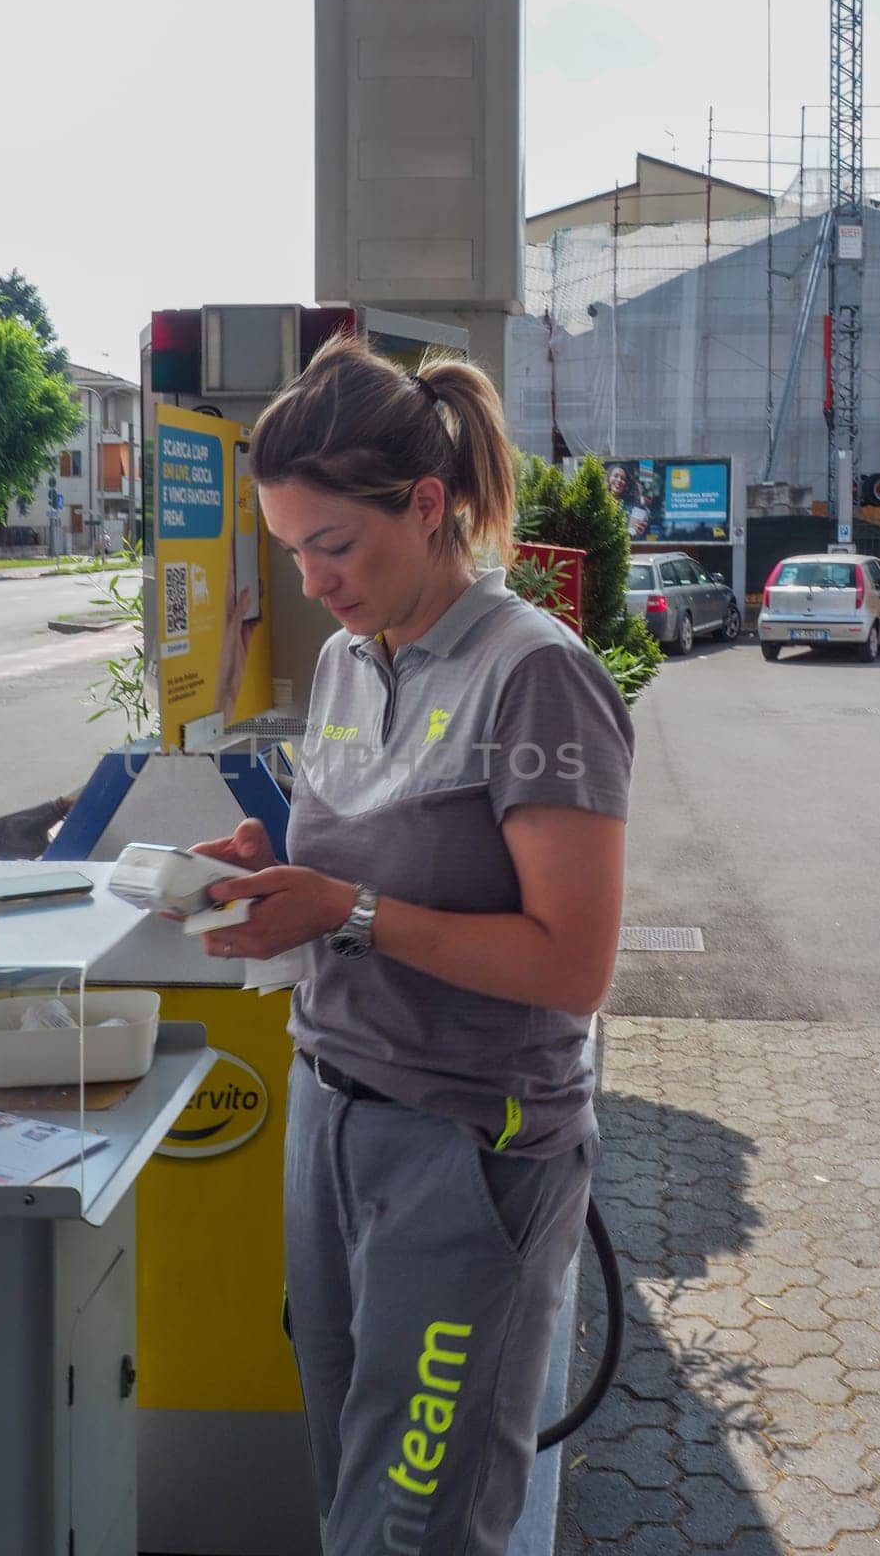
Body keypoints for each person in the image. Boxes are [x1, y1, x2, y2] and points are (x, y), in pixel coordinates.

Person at [191, 334, 634, 1555]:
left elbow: (571, 966)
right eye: (293, 553)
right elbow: (357, 856)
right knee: (350, 1485)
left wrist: (347, 911)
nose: (315, 579)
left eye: (334, 545)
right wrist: (267, 866)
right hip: (331, 1113)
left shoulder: (534, 676)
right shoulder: (346, 660)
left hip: (465, 1145)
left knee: (421, 1522)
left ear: (428, 505)